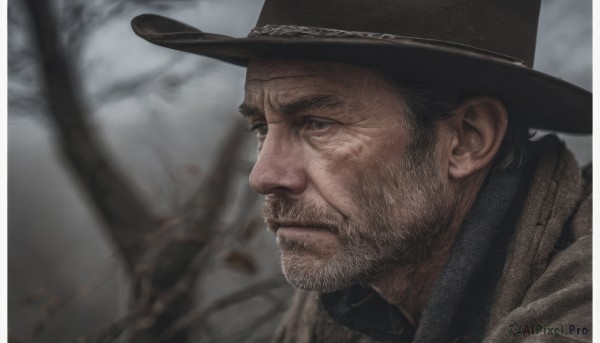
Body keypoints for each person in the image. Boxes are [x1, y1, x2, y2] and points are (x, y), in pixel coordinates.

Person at [132, 0, 592, 341]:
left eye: (317, 123)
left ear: (467, 139)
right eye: (261, 126)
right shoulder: (353, 287)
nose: (264, 175)